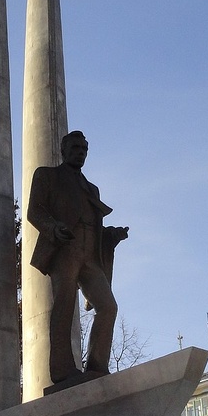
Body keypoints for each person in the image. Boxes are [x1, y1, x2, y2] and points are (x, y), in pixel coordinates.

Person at [27, 130, 128, 386]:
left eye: (84, 149)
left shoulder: (91, 188)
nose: (80, 152)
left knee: (108, 307)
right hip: (65, 251)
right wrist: (52, 227)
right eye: (75, 148)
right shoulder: (47, 176)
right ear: (63, 150)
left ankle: (97, 367)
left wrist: (111, 235)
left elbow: (94, 225)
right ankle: (62, 371)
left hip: (90, 255)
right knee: (63, 307)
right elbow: (34, 211)